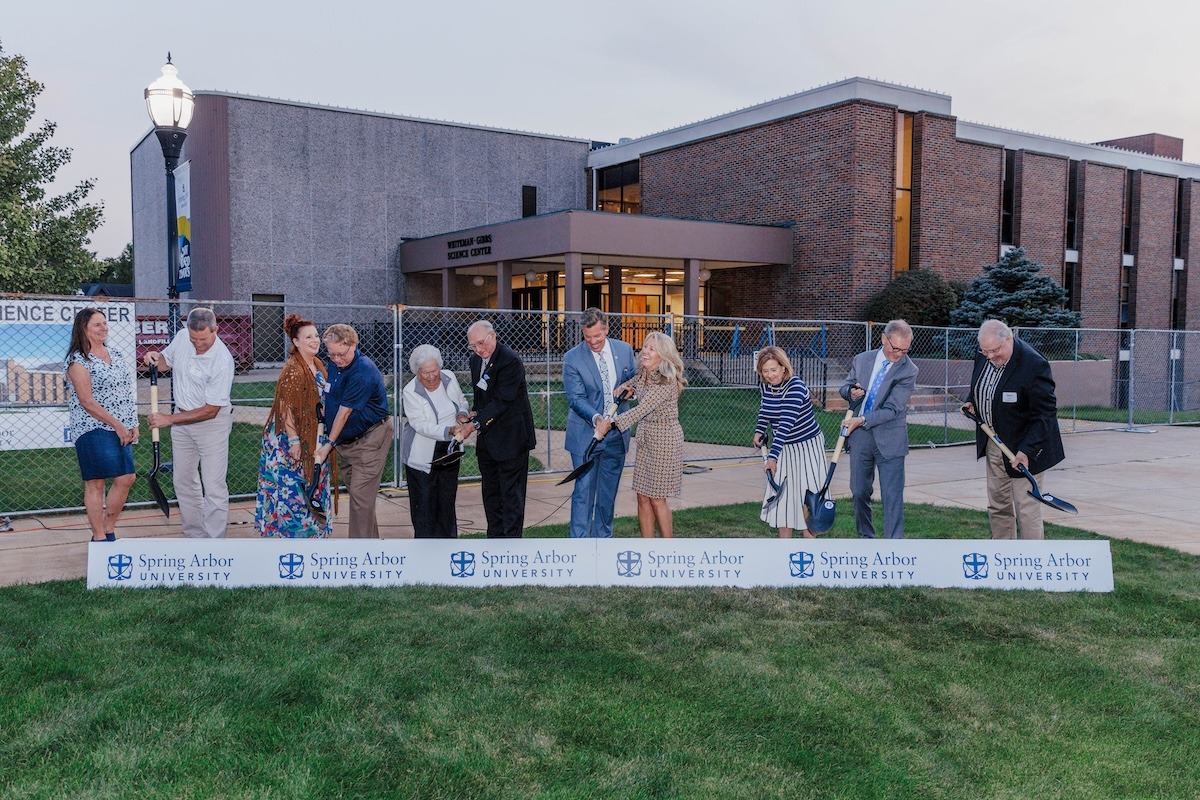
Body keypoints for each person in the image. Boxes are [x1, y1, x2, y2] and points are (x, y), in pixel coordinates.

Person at [963, 319, 1065, 540]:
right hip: (994, 442)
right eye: (985, 351)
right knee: (998, 505)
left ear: (1008, 338)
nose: (989, 356)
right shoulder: (985, 353)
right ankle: (1003, 559)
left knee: (1026, 510)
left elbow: (1044, 415)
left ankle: (1030, 563)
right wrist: (972, 400)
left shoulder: (1033, 365)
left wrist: (1026, 450)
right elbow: (981, 385)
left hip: (1024, 448)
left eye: (995, 350)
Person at [143, 307, 235, 539]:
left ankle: (215, 543)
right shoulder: (183, 337)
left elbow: (211, 410)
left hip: (211, 424)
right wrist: (155, 356)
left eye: (203, 339)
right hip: (182, 421)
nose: (197, 344)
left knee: (213, 485)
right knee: (183, 480)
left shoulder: (222, 360)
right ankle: (196, 536)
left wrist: (168, 419)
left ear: (215, 330)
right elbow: (166, 362)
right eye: (194, 338)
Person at [595, 332, 686, 538]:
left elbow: (641, 409)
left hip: (665, 441)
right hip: (647, 439)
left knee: (657, 498)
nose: (645, 351)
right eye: (645, 347)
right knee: (642, 496)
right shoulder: (646, 372)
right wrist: (628, 386)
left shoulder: (665, 381)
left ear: (663, 355)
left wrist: (611, 424)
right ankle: (647, 548)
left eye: (652, 349)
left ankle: (667, 549)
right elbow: (637, 380)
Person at [255, 314, 334, 538]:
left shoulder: (317, 364)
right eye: (308, 337)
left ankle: (313, 534)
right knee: (292, 492)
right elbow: (285, 408)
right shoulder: (293, 370)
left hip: (313, 437)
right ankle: (291, 538)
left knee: (313, 484)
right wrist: (294, 441)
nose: (315, 340)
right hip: (289, 442)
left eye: (316, 335)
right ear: (296, 342)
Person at [65, 308, 139, 543]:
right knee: (96, 482)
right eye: (97, 324)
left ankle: (108, 526)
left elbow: (125, 392)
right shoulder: (78, 361)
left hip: (120, 425)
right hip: (92, 427)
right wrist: (117, 424)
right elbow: (86, 401)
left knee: (127, 478)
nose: (104, 328)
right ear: (83, 329)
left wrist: (132, 422)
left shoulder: (115, 354)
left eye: (105, 323)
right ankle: (99, 536)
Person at [839, 319, 918, 539]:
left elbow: (893, 409)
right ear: (883, 339)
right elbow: (845, 386)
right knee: (859, 492)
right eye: (895, 348)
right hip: (860, 438)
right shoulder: (862, 359)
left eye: (905, 349)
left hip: (890, 439)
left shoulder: (908, 370)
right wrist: (850, 392)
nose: (899, 354)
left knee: (892, 497)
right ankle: (866, 538)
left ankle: (893, 547)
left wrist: (861, 419)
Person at [562, 308, 637, 537]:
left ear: (606, 329)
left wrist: (630, 391)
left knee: (607, 494)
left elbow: (633, 381)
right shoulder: (572, 358)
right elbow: (576, 398)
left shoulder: (624, 350)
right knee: (583, 493)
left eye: (597, 336)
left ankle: (603, 542)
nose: (593, 341)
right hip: (587, 436)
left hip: (616, 435)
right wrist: (597, 419)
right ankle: (580, 546)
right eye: (587, 337)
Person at [460, 320, 537, 539]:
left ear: (493, 336)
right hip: (488, 441)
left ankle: (511, 546)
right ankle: (494, 542)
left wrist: (474, 425)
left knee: (511, 498)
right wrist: (475, 413)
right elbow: (483, 397)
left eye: (481, 343)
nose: (478, 349)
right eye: (473, 346)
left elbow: (503, 400)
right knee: (491, 495)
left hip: (512, 439)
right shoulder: (475, 361)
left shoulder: (510, 361)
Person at [314, 324, 392, 539]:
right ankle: (372, 548)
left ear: (354, 345)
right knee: (362, 500)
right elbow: (333, 393)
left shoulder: (363, 370)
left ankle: (358, 554)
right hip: (347, 442)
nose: (336, 359)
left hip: (370, 438)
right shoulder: (334, 364)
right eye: (331, 354)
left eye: (341, 354)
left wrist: (328, 444)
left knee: (359, 496)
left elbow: (344, 412)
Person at [753, 346, 827, 538]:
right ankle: (783, 550)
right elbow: (765, 409)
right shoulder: (765, 386)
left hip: (806, 447)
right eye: (765, 371)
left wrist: (772, 457)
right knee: (783, 498)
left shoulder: (795, 387)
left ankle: (809, 546)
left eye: (773, 370)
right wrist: (759, 430)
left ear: (784, 368)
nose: (769, 375)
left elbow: (786, 424)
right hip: (783, 446)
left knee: (807, 496)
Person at [401, 344, 470, 538]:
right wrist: (448, 430)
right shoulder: (410, 391)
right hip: (421, 454)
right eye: (425, 373)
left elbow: (461, 400)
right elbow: (420, 425)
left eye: (434, 370)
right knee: (424, 507)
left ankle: (448, 547)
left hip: (450, 450)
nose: (431, 376)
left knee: (447, 503)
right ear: (417, 372)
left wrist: (462, 414)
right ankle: (424, 551)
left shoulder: (449, 377)